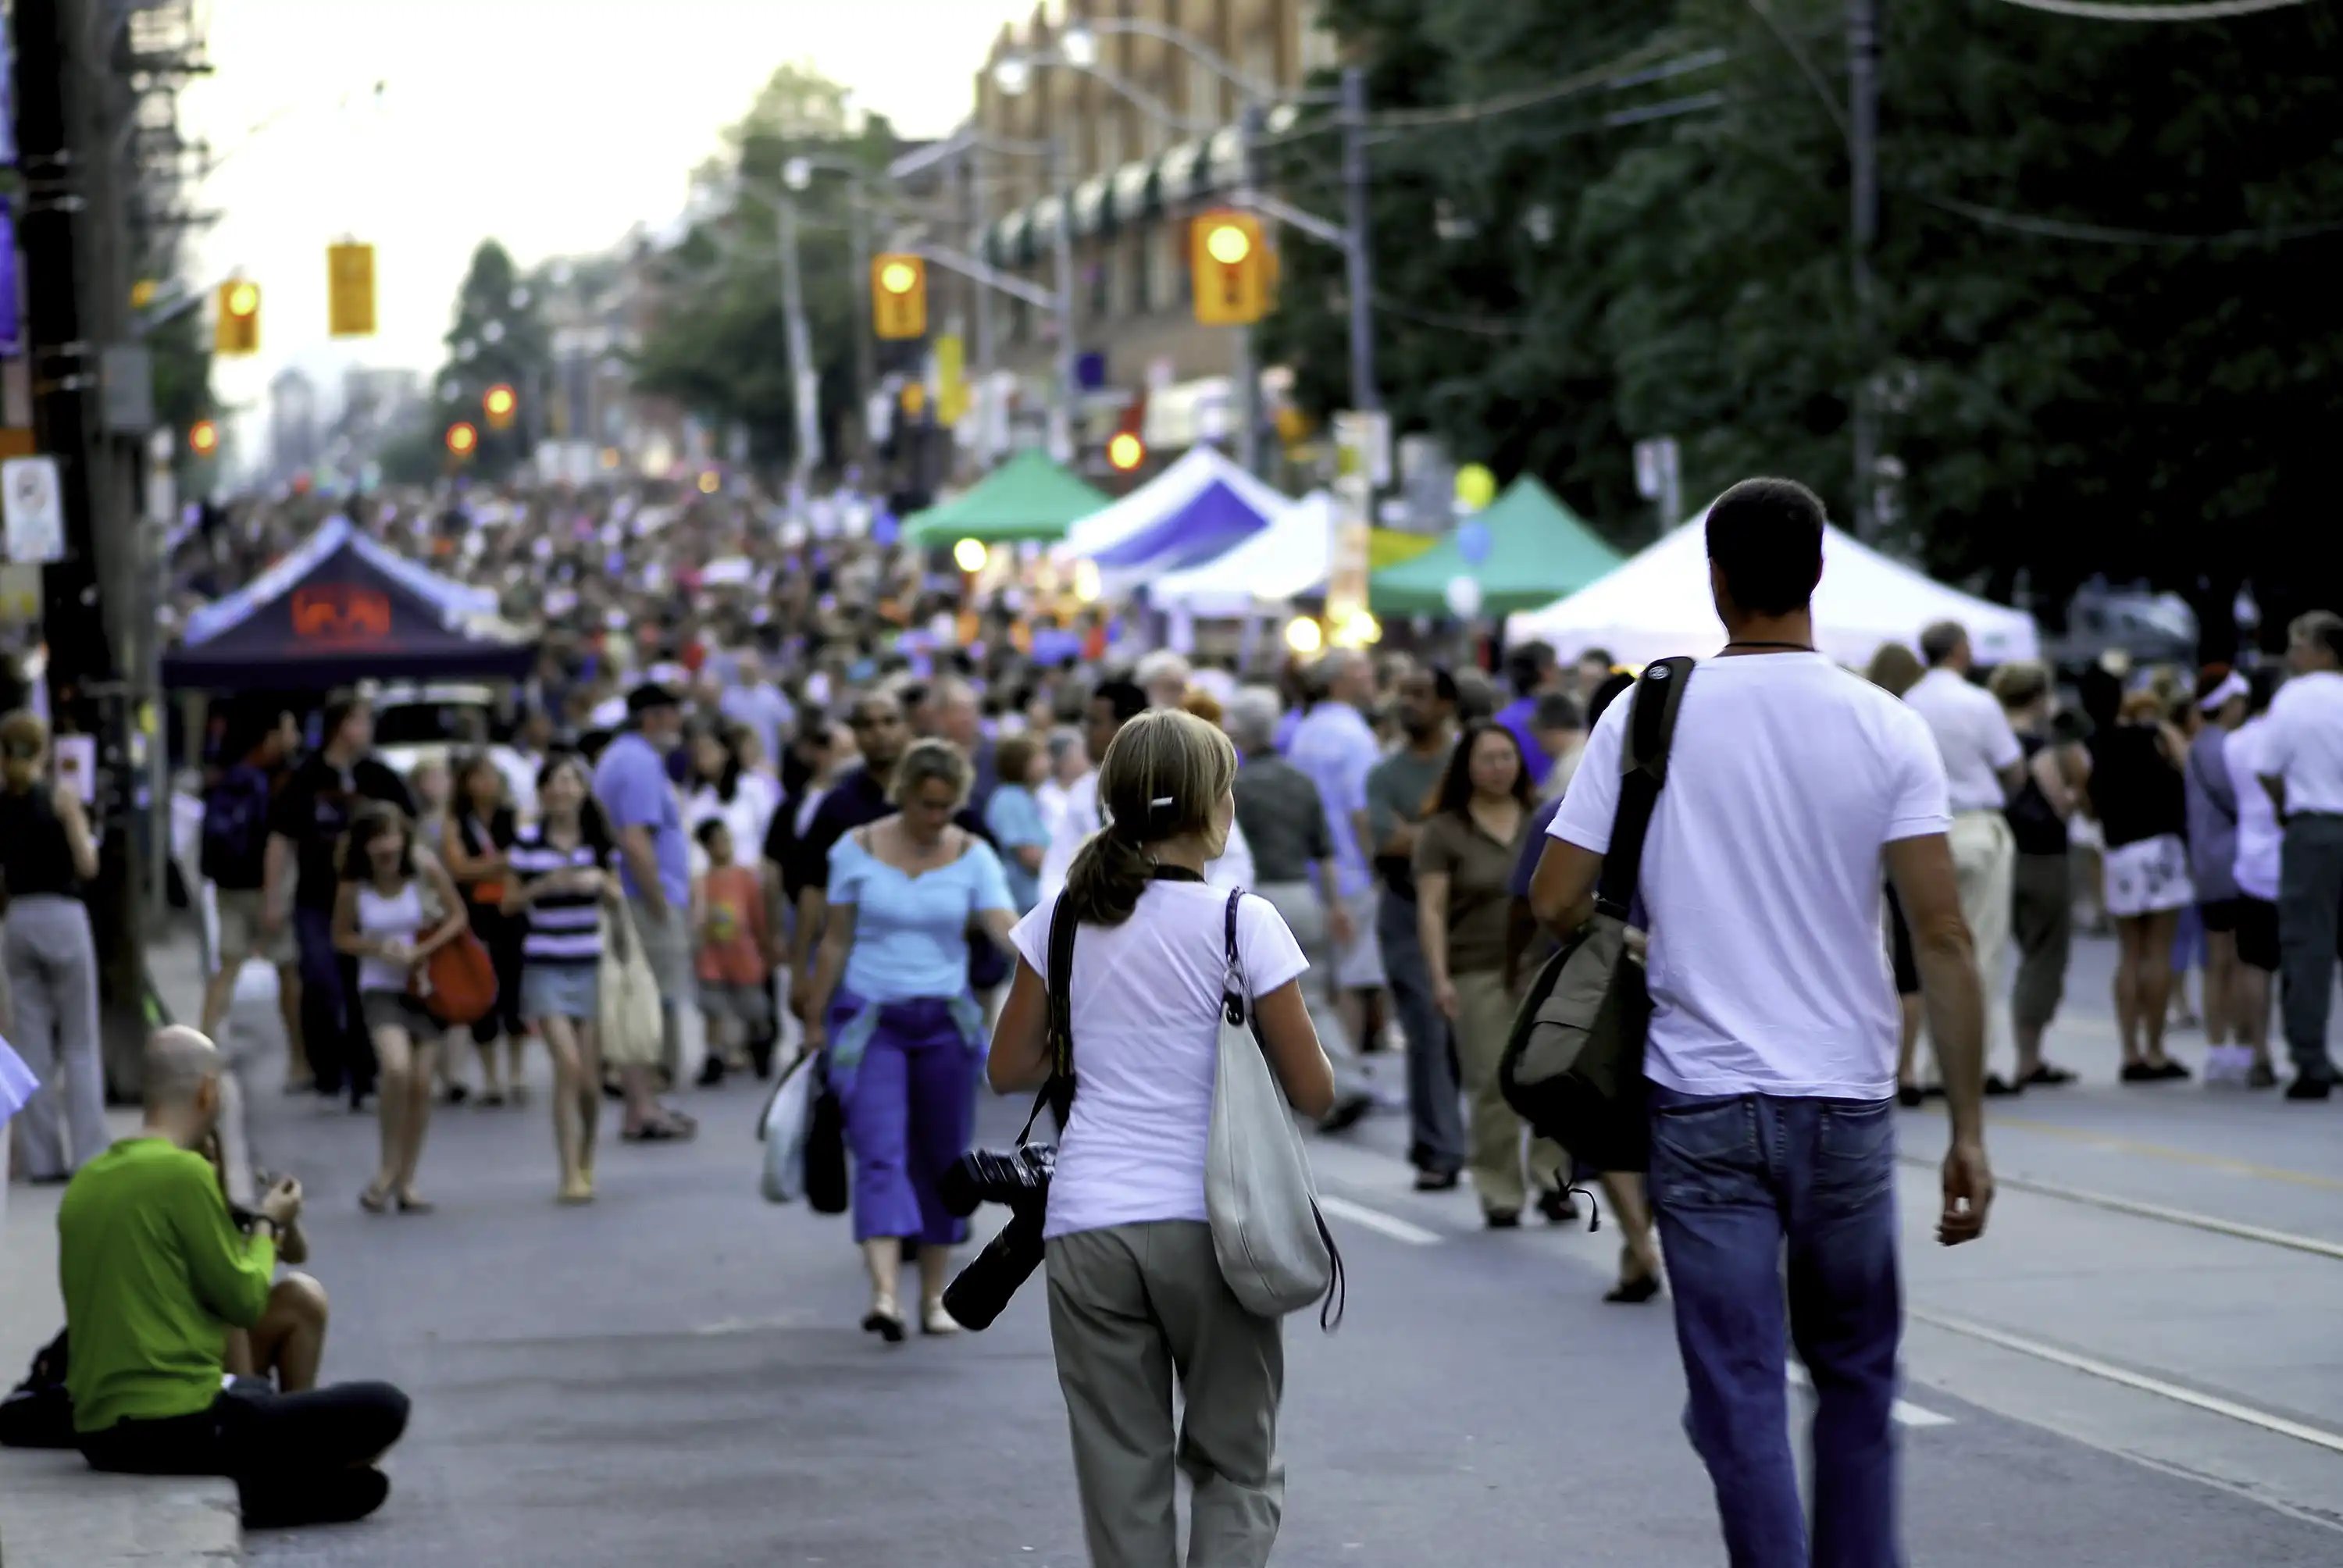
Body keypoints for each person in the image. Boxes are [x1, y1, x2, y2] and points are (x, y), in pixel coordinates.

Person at [1532, 477, 1992, 1568]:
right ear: (1821, 575)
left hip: (1702, 1100)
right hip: (1844, 1101)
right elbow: (1945, 935)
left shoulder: (1647, 714)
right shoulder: (1887, 724)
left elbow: (1555, 900)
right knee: (1855, 1379)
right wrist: (1969, 1129)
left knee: (1736, 1388)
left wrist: (1657, 934)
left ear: (1717, 579)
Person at [987, 708, 1335, 1568]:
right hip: (1214, 1225)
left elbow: (1009, 1065)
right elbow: (1315, 1090)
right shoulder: (1239, 922)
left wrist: (1106, 1035)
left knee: (1120, 1475)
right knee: (1237, 1464)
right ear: (1216, 807)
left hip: (1088, 1223)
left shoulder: (1062, 918)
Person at [61, 1026, 410, 1528]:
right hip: (177, 1422)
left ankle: (272, 1480)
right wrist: (268, 1221)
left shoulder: (88, 1180)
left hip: (98, 1434)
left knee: (364, 1488)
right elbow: (244, 1303)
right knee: (385, 1407)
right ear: (207, 1090)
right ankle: (277, 1472)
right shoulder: (182, 1174)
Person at [802, 739, 1019, 1340]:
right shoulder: (857, 848)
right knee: (879, 1150)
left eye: (948, 807)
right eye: (927, 805)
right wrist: (814, 1015)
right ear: (904, 795)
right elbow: (836, 939)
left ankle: (932, 1298)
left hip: (944, 1023)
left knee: (944, 1159)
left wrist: (1038, 954)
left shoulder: (974, 854)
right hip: (871, 1021)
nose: (937, 818)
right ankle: (885, 1294)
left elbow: (1001, 924)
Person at [1416, 721, 1566, 1228]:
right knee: (1492, 1083)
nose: (1499, 768)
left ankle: (1555, 1181)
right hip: (1476, 968)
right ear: (1467, 768)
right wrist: (1439, 976)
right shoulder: (1445, 830)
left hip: (1542, 965)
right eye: (1488, 759)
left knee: (1550, 1076)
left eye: (1507, 757)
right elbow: (1432, 909)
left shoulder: (1540, 817)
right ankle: (1500, 1188)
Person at [1226, 686, 1375, 1131]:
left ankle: (1331, 1086)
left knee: (1264, 1004)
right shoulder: (1301, 782)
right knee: (1313, 998)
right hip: (1305, 896)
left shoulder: (1238, 785)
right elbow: (1324, 850)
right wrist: (1334, 905)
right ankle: (1343, 1075)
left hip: (1259, 896)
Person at [266, 696, 415, 1103]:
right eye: (360, 721)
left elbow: (410, 826)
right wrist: (273, 897)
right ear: (339, 726)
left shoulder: (378, 776)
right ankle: (325, 1062)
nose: (366, 730)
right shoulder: (308, 777)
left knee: (361, 984)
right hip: (316, 898)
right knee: (321, 977)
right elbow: (281, 838)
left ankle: (363, 1067)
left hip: (368, 899)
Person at [508, 757, 640, 1196]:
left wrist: (601, 884)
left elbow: (620, 895)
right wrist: (542, 887)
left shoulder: (600, 842)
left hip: (590, 964)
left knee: (588, 1080)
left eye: (570, 782)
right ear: (543, 792)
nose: (562, 790)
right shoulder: (527, 843)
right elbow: (508, 903)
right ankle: (567, 1172)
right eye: (554, 782)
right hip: (545, 962)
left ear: (582, 791)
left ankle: (586, 1155)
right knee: (566, 1065)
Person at [1906, 621, 2027, 1094]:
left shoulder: (1910, 702)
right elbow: (2012, 768)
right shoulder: (1979, 702)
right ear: (1959, 651)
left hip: (1924, 827)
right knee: (1982, 947)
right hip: (1976, 823)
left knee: (1933, 947)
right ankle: (1968, 1064)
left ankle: (1925, 1061)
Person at [333, 806, 469, 1214]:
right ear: (365, 846)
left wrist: (422, 950)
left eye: (392, 836)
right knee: (396, 1068)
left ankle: (407, 1180)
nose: (387, 847)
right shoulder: (353, 887)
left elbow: (458, 917)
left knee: (422, 1084)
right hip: (380, 988)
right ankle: (387, 1167)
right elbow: (340, 937)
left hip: (427, 987)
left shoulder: (424, 870)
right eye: (377, 839)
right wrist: (379, 948)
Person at [1365, 665, 1464, 1189]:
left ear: (1447, 703)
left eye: (1421, 694)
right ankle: (1442, 1152)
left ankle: (1445, 1138)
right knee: (1426, 1027)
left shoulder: (1465, 762)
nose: (1408, 704)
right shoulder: (1385, 774)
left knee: (1465, 1035)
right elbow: (1389, 841)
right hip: (1405, 909)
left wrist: (1423, 832)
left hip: (1467, 911)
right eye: (1403, 693)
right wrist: (1448, 833)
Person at [0, 711, 103, 1187]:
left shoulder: (5, 803)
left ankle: (42, 1160)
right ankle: (88, 1153)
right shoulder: (60, 797)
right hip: (63, 916)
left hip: (18, 919)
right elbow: (87, 864)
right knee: (80, 1041)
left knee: (33, 1044)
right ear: (45, 750)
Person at [1286, 650, 1388, 1072]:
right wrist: (1376, 862)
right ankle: (1348, 1073)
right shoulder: (1353, 734)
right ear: (1340, 681)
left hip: (1313, 870)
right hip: (1352, 871)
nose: (1370, 678)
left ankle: (1325, 1068)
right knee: (1354, 977)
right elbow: (1361, 810)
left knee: (1325, 980)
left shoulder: (1303, 731)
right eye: (1362, 671)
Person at [2088, 689, 2195, 1082]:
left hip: (2121, 853)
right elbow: (2189, 769)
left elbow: (2090, 800)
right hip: (2161, 850)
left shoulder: (2104, 747)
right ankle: (2154, 1047)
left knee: (2130, 953)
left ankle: (2130, 1050)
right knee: (2158, 951)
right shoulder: (2160, 745)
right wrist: (2168, 732)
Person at [2259, 610, 2343, 1099]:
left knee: (2308, 945)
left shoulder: (2293, 698)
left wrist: (2283, 808)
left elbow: (2267, 766)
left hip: (2313, 825)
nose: (2292, 655)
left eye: (2299, 644)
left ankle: (2310, 1058)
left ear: (2324, 652)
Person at [1991, 661, 2087, 1089]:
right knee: (2045, 953)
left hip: (2006, 851)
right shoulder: (2038, 745)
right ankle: (2029, 1055)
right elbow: (2061, 803)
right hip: (2044, 857)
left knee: (2021, 948)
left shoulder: (1994, 739)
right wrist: (2077, 787)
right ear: (2038, 697)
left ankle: (2021, 1052)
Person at [594, 684, 694, 1088]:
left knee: (640, 987)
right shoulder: (637, 763)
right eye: (673, 713)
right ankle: (651, 1075)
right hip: (645, 897)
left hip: (638, 893)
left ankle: (640, 1074)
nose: (679, 722)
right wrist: (658, 901)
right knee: (654, 990)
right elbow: (636, 841)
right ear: (652, 718)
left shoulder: (626, 757)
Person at [198, 709, 301, 1090]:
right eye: (289, 729)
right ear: (270, 736)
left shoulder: (228, 775)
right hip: (263, 886)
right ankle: (299, 1058)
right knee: (287, 969)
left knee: (226, 967)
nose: (296, 737)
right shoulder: (272, 782)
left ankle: (202, 1049)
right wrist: (275, 895)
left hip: (230, 886)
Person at [1863, 645, 1931, 1103]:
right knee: (1908, 969)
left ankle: (1885, 1064)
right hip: (1903, 853)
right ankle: (1906, 1069)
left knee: (1873, 964)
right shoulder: (1905, 726)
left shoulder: (1860, 722)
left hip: (1855, 862)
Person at [439, 752, 523, 1107]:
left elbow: (523, 858)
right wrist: (499, 864)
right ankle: (491, 1076)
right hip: (476, 913)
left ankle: (516, 1072)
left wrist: (487, 867)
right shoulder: (456, 821)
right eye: (478, 776)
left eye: (491, 776)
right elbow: (458, 868)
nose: (486, 783)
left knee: (515, 989)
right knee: (484, 987)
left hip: (511, 909)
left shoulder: (511, 817)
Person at [2185, 668, 2254, 1082]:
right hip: (2237, 862)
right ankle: (2243, 1048)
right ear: (2228, 704)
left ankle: (2216, 1048)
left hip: (2207, 865)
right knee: (2244, 960)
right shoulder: (2230, 748)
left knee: (2216, 960)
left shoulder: (2194, 747)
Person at [2226, 668, 2284, 1089]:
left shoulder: (2235, 742)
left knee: (2256, 962)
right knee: (2304, 958)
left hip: (2251, 859)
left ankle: (2259, 1050)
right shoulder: (2284, 736)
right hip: (2292, 853)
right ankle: (2307, 1045)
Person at [1038, 681, 1147, 901]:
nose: (1085, 730)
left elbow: (1226, 866)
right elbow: (1058, 869)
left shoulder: (1172, 785)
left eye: (1095, 722)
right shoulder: (1083, 791)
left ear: (1126, 727)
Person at [692, 820, 771, 1083]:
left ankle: (759, 1045)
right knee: (713, 1006)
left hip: (743, 951)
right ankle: (715, 1055)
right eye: (716, 842)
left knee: (753, 1006)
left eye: (726, 840)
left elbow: (758, 915)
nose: (723, 847)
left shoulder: (745, 877)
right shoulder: (702, 882)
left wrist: (765, 944)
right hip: (713, 953)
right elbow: (696, 916)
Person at [983, 732, 1051, 915]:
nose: (1047, 761)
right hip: (1021, 903)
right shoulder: (1009, 799)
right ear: (1021, 762)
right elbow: (1028, 856)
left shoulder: (1028, 798)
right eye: (1039, 756)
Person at [1529, 692, 1587, 801]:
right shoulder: (1584, 750)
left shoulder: (1571, 766)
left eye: (1538, 732)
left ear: (1551, 730)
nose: (1538, 742)